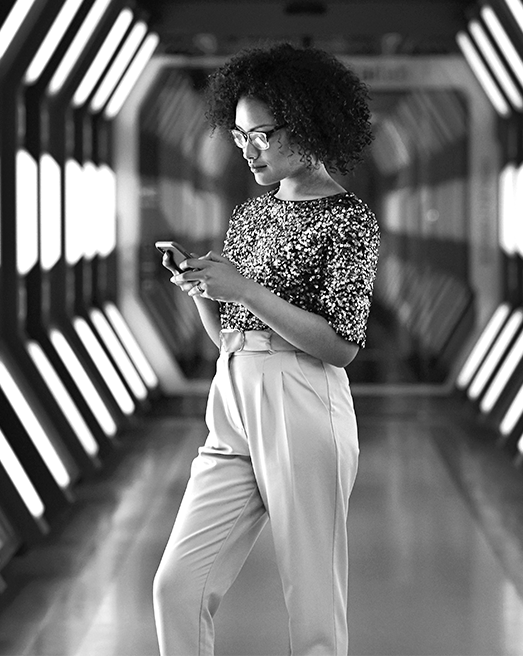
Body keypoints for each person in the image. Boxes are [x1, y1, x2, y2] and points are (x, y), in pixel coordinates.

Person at [152, 43, 379, 656]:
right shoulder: (254, 211)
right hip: (233, 393)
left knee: (312, 613)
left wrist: (243, 288)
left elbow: (342, 345)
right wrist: (202, 286)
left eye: (260, 134)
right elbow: (229, 330)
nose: (246, 148)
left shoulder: (348, 219)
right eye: (237, 134)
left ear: (306, 127)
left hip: (303, 400)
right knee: (176, 586)